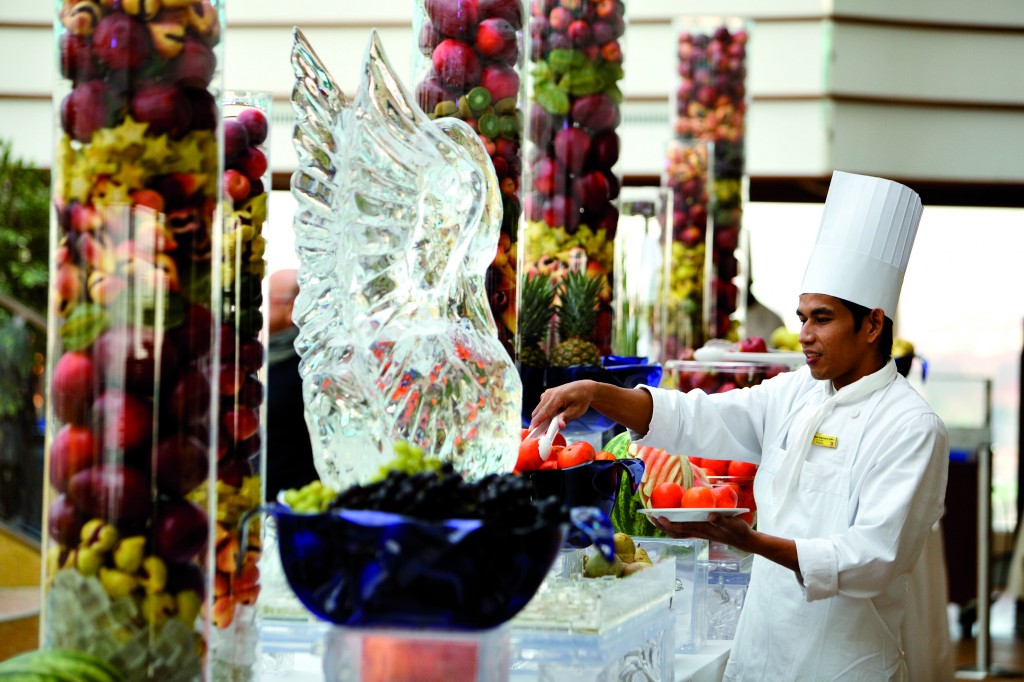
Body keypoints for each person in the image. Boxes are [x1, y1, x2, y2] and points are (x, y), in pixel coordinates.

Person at [531, 171, 949, 680]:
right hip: (759, 657)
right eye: (801, 318)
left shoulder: (912, 426)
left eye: (822, 319)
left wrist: (749, 539)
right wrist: (599, 393)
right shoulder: (797, 391)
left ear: (872, 325)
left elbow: (871, 560)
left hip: (843, 667)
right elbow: (697, 416)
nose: (804, 335)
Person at [265, 268, 318, 500]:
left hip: (292, 507)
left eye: (267, 298)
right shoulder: (258, 359)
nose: (257, 304)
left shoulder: (305, 368)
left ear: (292, 309)